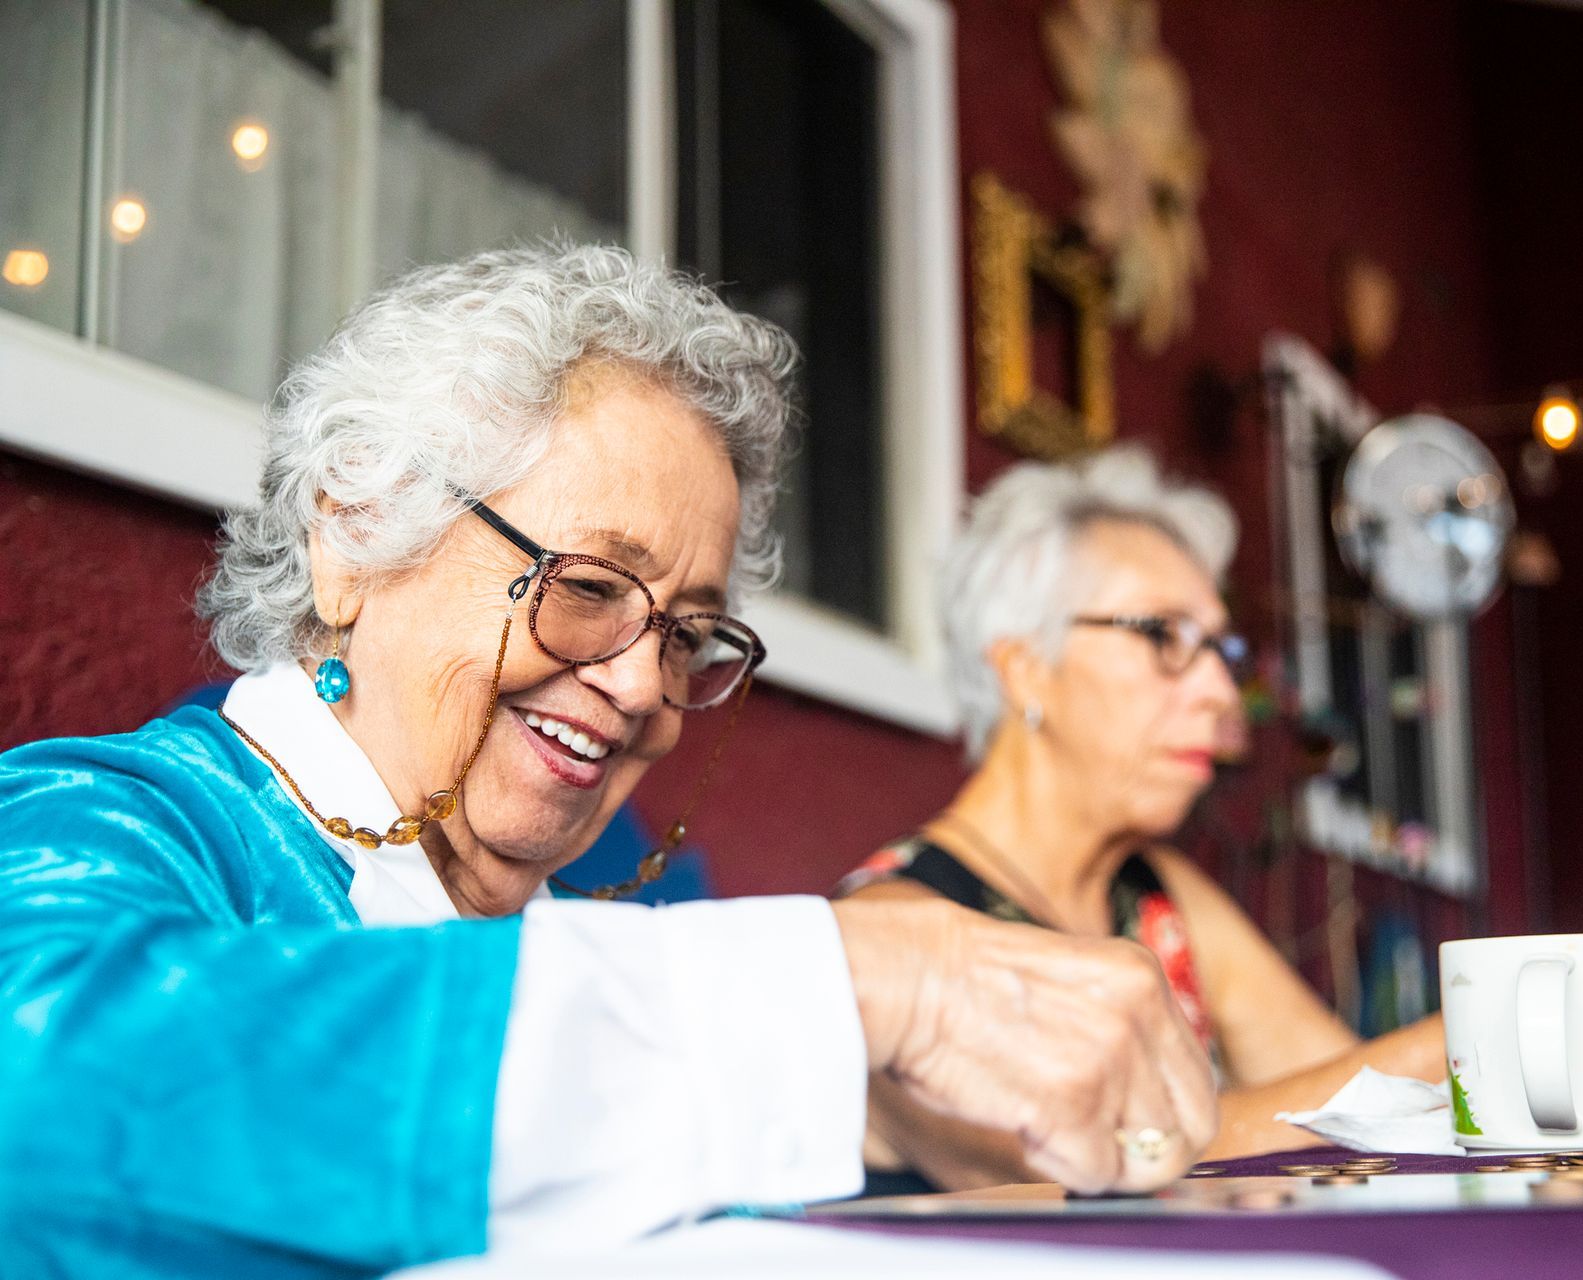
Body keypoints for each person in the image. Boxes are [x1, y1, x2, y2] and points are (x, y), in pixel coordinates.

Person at [0, 247, 1215, 1278]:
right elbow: (41, 1095)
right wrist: (855, 979)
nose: (642, 685)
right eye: (585, 588)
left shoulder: (620, 880)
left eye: (687, 635)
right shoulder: (116, 822)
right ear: (355, 538)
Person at [842, 448, 1583, 1192]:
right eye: (1165, 637)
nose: (1218, 691)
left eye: (1222, 650)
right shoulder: (891, 934)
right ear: (1022, 666)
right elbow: (1080, 1159)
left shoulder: (1156, 893)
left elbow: (1358, 1101)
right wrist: (1480, 1036)